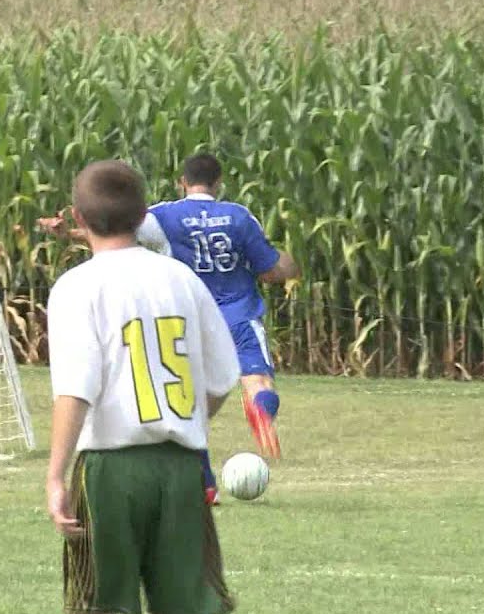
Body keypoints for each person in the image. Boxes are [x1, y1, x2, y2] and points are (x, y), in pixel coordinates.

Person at [45, 160, 240, 614]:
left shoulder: (77, 286)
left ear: (78, 217)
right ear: (142, 215)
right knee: (178, 612)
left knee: (94, 606)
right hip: (180, 468)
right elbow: (222, 377)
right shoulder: (182, 279)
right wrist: (190, 423)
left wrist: (55, 476)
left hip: (110, 470)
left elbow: (76, 389)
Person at [40, 153, 300, 502]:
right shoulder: (239, 216)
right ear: (219, 182)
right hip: (239, 315)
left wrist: (70, 234)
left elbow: (115, 235)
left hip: (188, 316)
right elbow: (270, 269)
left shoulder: (164, 216)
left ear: (182, 182)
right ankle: (261, 409)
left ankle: (205, 481)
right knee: (258, 381)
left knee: (189, 403)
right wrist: (291, 264)